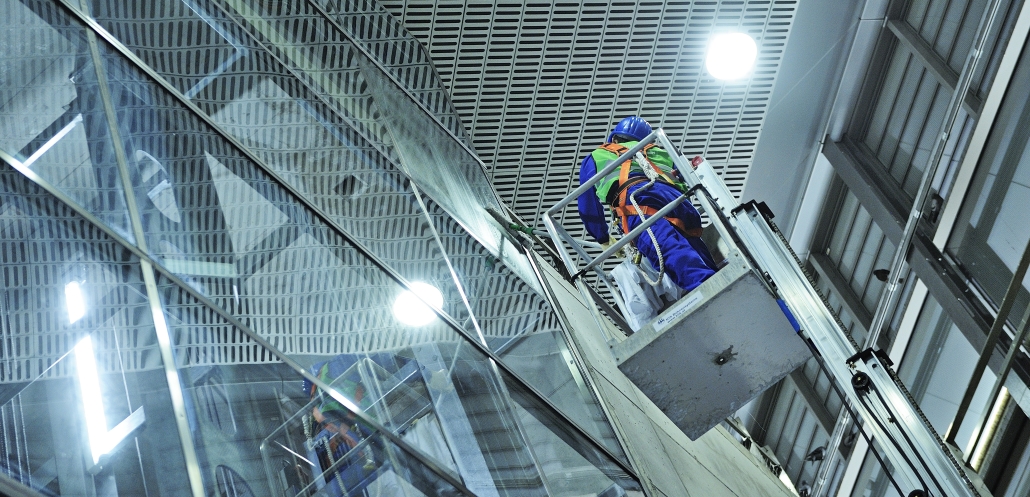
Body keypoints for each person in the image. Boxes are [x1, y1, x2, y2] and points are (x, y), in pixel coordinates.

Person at [577, 116, 717, 292]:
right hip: (678, 201)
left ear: (614, 138)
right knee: (695, 246)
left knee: (666, 246)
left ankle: (706, 286)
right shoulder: (662, 151)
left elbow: (587, 203)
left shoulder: (598, 155)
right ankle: (719, 278)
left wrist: (602, 237)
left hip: (637, 199)